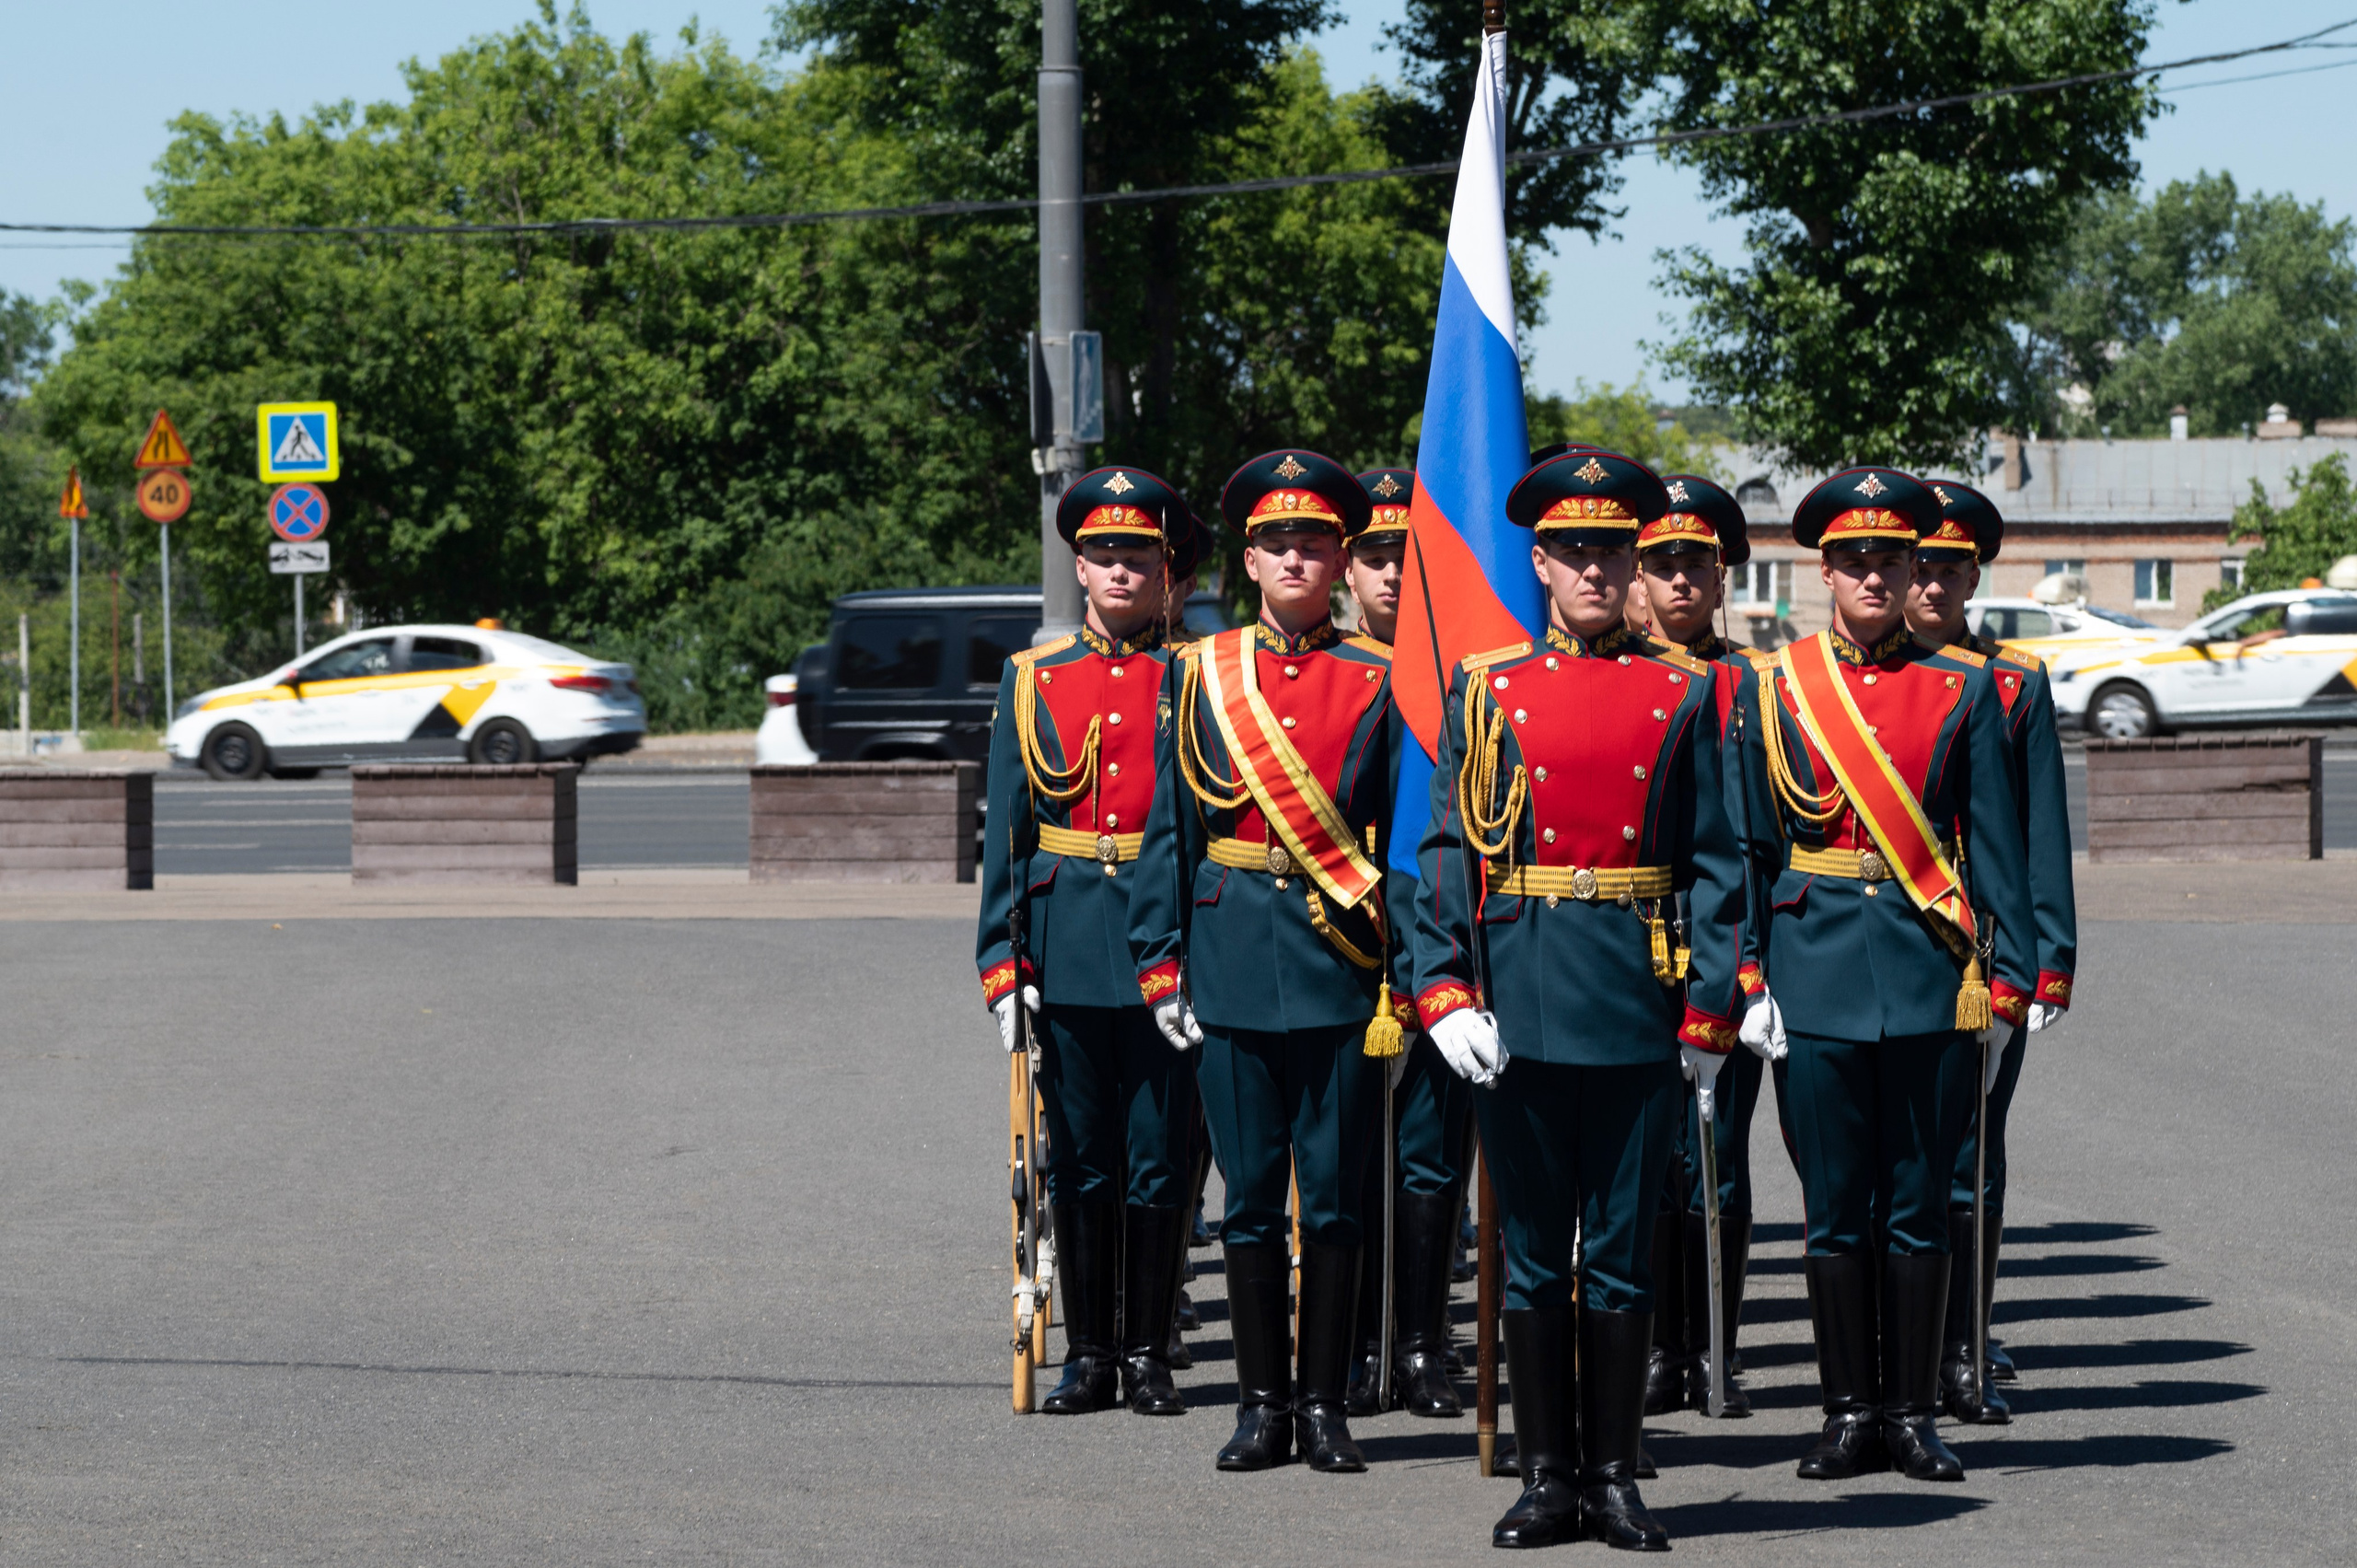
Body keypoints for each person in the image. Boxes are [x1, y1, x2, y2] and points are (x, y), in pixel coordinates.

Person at [1410, 448, 1752, 1550]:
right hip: (1516, 1001)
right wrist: (1445, 986)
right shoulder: (1486, 684)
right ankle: (1544, 1473)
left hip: (1632, 1003)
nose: (1598, 569)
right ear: (1542, 564)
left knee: (1619, 1249)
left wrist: (1709, 1011)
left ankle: (1613, 1474)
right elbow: (1449, 847)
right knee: (1531, 1254)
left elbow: (1717, 862)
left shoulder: (1683, 689)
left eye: (1616, 550)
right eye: (1576, 552)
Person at [1733, 467, 2038, 1483]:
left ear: (1916, 571)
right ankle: (1846, 1409)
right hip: (1809, 970)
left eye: (1890, 560)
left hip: (1927, 971)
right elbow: (1742, 846)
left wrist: (2012, 980)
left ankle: (1910, 1412)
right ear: (1825, 570)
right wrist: (1745, 975)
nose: (1872, 575)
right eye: (1853, 560)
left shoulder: (1959, 689)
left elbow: (1995, 848)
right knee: (1833, 1206)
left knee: (1915, 1204)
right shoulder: (1773, 687)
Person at [1130, 449, 1404, 1474]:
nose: (1297, 557)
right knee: (1248, 1199)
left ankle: (1324, 1403)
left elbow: (1399, 832)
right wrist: (1160, 963)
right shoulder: (1198, 671)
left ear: (1339, 560)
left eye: (1315, 543)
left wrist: (1408, 970)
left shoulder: (1379, 679)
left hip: (1339, 962)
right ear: (1249, 559)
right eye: (1278, 542)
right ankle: (1260, 1404)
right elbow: (1170, 831)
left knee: (1331, 1197)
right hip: (1231, 956)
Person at [975, 466, 1205, 1418]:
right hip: (1066, 943)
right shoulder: (1033, 679)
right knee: (1080, 1161)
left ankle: (1151, 1350)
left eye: (1138, 554)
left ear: (1164, 567)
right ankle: (1093, 1353)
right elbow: (1006, 836)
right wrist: (1003, 967)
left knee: (1162, 1159)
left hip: (1172, 955)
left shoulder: (1199, 674)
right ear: (1078, 565)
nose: (1120, 568)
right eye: (1104, 553)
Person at [1906, 479, 2076, 1423]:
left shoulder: (2012, 680)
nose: (1932, 583)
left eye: (1950, 567)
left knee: (1973, 1147)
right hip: (1882, 940)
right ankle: (1898, 1330)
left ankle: (1965, 1334)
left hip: (1981, 951)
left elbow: (2039, 826)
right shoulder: (1846, 679)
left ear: (1976, 574)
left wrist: (2050, 952)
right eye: (1918, 565)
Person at [1630, 474, 1782, 1423]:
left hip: (1730, 955)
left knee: (1719, 1160)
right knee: (1646, 1163)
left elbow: (1767, 839)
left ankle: (1713, 1346)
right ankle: (1656, 1345)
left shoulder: (1754, 685)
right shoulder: (1618, 676)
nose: (1679, 579)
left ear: (1723, 575)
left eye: (1697, 562)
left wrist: (1756, 966)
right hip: (1630, 952)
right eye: (1661, 563)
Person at [1341, 468, 1469, 1421]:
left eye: (1407, 556)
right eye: (1376, 555)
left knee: (1432, 1156)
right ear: (1347, 568)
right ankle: (1349, 1345)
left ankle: (1423, 1342)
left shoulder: (1461, 677)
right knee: (1345, 1160)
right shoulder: (1333, 674)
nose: (1392, 573)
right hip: (1336, 950)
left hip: (1438, 940)